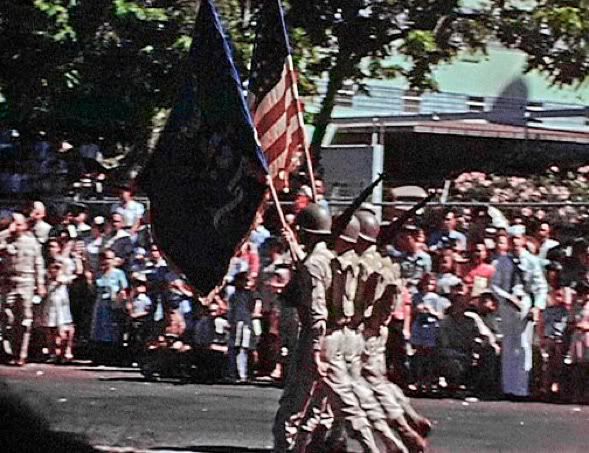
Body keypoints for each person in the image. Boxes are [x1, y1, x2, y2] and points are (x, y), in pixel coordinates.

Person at [272, 203, 335, 452]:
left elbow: (317, 311)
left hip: (314, 337)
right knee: (318, 407)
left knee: (293, 407)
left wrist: (314, 349)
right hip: (330, 338)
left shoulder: (312, 265)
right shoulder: (328, 259)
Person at [0, 213, 46, 366]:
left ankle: (22, 354)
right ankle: (11, 351)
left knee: (25, 320)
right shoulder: (5, 239)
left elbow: (39, 264)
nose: (16, 227)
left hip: (26, 282)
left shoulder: (32, 243)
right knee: (9, 319)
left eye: (18, 224)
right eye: (13, 224)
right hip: (8, 282)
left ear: (24, 225)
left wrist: (40, 284)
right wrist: (8, 232)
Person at [90, 249, 128, 363]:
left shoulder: (118, 273)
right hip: (100, 304)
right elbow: (94, 289)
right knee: (99, 329)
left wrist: (120, 303)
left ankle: (112, 356)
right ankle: (99, 356)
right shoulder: (98, 274)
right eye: (104, 258)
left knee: (112, 329)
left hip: (113, 304)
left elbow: (123, 290)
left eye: (109, 258)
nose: (107, 261)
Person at [226, 271, 260, 383]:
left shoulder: (250, 294)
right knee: (233, 348)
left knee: (244, 349)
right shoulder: (234, 296)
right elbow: (231, 310)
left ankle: (242, 374)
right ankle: (233, 373)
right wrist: (230, 322)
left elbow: (254, 306)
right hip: (236, 323)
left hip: (245, 322)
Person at [39, 261, 75, 363]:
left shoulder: (63, 279)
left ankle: (66, 352)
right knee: (50, 331)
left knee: (64, 331)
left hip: (62, 310)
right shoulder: (46, 281)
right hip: (50, 309)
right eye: (53, 268)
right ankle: (52, 353)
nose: (55, 270)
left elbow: (69, 279)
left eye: (57, 268)